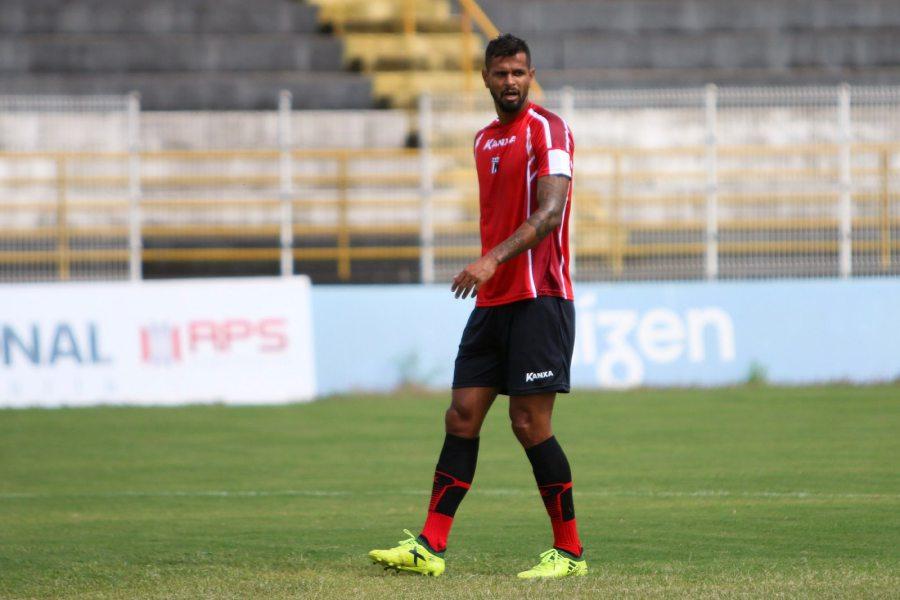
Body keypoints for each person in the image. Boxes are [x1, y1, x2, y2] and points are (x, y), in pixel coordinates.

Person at [368, 33, 585, 579]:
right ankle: (429, 546)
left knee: (529, 423)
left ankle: (570, 553)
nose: (509, 81)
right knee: (461, 416)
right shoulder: (484, 139)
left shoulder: (549, 130)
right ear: (485, 78)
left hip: (540, 296)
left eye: (518, 72)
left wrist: (491, 259)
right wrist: (491, 272)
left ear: (530, 75)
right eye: (500, 73)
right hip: (493, 303)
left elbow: (550, 213)